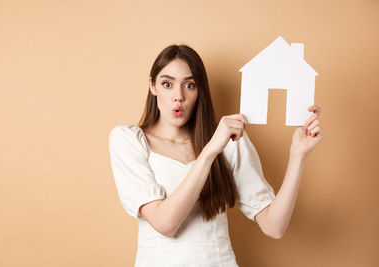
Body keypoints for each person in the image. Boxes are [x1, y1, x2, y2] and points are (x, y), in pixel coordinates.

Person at [108, 44, 324, 267]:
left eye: (189, 85)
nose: (178, 97)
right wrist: (210, 150)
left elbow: (274, 226)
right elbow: (165, 224)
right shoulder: (129, 140)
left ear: (199, 91)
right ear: (152, 86)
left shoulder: (228, 140)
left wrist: (298, 155)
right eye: (167, 84)